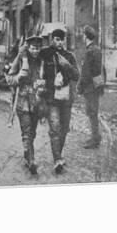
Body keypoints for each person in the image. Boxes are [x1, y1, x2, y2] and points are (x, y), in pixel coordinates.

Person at [40, 25, 80, 174]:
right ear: (52, 39)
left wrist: (67, 66)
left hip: (66, 98)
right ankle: (57, 158)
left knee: (64, 129)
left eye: (61, 40)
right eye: (57, 39)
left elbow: (76, 75)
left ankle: (59, 154)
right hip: (51, 98)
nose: (59, 43)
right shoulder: (45, 54)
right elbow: (39, 74)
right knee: (55, 128)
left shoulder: (69, 56)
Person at [5, 35, 46, 175]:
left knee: (33, 132)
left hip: (36, 100)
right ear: (28, 47)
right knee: (27, 132)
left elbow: (46, 78)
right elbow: (9, 78)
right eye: (33, 48)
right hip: (22, 100)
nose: (35, 51)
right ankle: (31, 159)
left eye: (38, 48)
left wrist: (43, 84)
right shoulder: (21, 59)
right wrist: (19, 77)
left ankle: (27, 152)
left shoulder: (41, 61)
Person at [77, 25, 103, 149]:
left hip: (89, 87)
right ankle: (95, 136)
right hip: (97, 85)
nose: (82, 36)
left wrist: (79, 87)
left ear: (86, 37)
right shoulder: (97, 49)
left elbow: (85, 73)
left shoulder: (88, 52)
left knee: (91, 112)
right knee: (94, 111)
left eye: (83, 34)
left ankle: (95, 139)